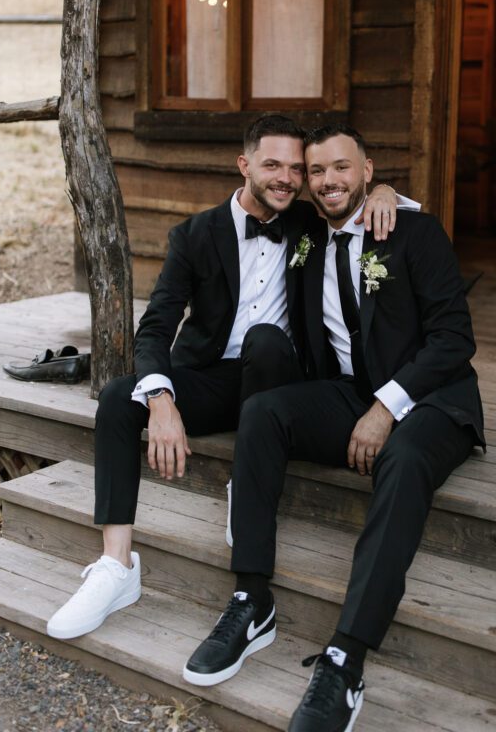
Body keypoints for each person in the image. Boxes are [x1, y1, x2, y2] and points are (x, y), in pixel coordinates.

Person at [46, 114, 401, 641]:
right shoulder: (195, 235)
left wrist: (386, 190)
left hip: (278, 381)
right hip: (212, 379)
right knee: (122, 397)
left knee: (265, 337)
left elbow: (349, 193)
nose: (286, 178)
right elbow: (156, 327)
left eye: (295, 169)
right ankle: (116, 567)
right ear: (244, 165)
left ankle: (247, 485)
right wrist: (162, 400)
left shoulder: (307, 221)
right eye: (272, 164)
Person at [183, 123, 484, 732]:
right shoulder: (305, 238)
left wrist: (387, 407)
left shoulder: (414, 233)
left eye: (341, 169)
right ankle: (251, 598)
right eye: (317, 172)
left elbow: (456, 340)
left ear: (368, 171)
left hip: (431, 402)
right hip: (350, 396)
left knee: (402, 461)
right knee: (263, 411)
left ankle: (345, 658)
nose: (328, 182)